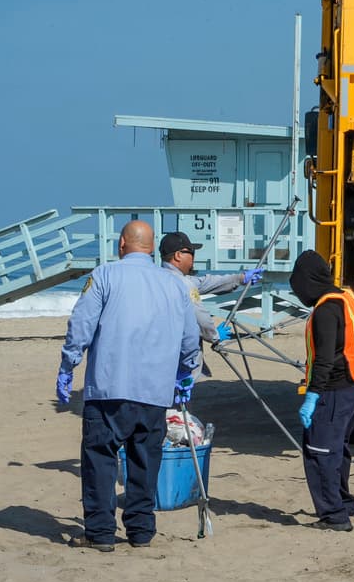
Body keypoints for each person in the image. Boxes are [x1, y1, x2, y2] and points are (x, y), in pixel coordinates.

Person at [56, 220, 200, 551]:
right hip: (154, 392)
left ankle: (101, 532)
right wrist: (185, 372)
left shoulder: (106, 275)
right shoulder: (175, 285)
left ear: (122, 244)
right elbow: (190, 338)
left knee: (100, 459)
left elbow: (81, 325)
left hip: (109, 388)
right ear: (151, 248)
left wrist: (67, 366)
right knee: (145, 462)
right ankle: (140, 531)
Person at [289, 250, 354, 532]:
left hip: (335, 388)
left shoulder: (326, 309)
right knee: (338, 448)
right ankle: (345, 503)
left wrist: (312, 395)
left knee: (320, 449)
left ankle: (335, 516)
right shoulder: (344, 297)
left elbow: (325, 358)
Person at [159, 231, 263, 375]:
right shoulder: (185, 284)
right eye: (191, 252)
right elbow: (200, 316)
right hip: (180, 356)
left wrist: (241, 278)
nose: (193, 258)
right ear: (178, 255)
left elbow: (206, 282)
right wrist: (215, 335)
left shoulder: (158, 277)